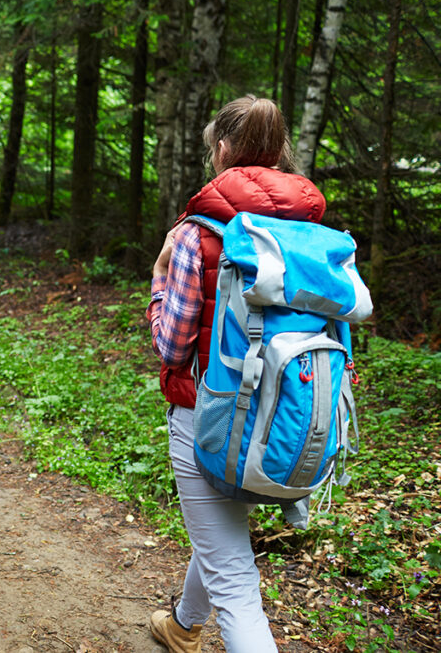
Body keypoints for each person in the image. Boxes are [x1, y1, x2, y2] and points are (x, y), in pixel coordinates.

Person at [147, 95, 327, 652]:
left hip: (209, 414)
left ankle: (203, 625)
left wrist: (158, 291)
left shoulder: (196, 233)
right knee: (225, 533)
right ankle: (182, 625)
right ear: (279, 153)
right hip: (285, 414)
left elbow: (172, 345)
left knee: (235, 579)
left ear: (221, 149)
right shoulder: (310, 236)